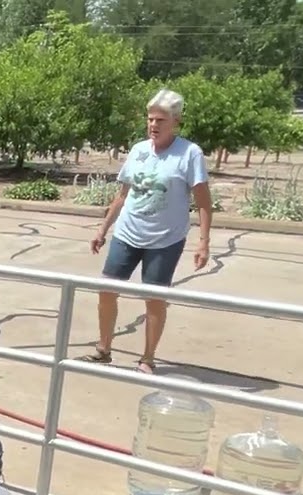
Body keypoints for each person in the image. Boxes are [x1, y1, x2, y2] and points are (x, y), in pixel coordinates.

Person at [81, 88, 213, 374]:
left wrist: (203, 242)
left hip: (164, 240)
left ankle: (147, 358)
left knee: (154, 299)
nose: (153, 125)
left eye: (160, 120)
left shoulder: (189, 154)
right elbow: (122, 194)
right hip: (127, 233)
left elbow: (203, 200)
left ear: (175, 121)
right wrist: (103, 229)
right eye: (150, 119)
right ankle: (104, 349)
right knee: (106, 290)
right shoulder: (139, 150)